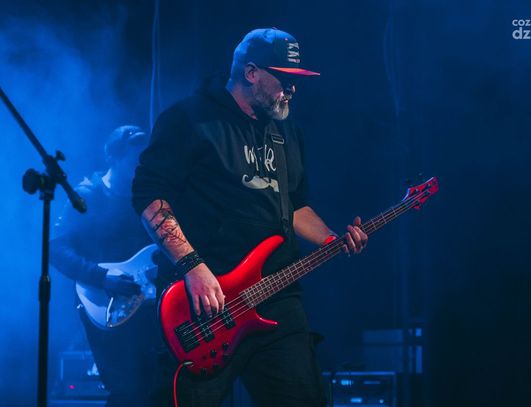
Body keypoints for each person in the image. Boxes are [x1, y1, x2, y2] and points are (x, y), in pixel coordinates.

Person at [132, 28, 368, 406]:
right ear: (251, 72)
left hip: (278, 298)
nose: (292, 89)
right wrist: (192, 266)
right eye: (284, 79)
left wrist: (331, 240)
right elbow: (149, 197)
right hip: (208, 305)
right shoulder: (189, 119)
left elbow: (294, 205)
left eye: (295, 81)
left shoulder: (285, 131)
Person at [50, 125, 161, 407]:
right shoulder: (88, 195)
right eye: (133, 158)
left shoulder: (145, 197)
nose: (140, 164)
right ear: (113, 156)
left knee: (155, 387)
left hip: (147, 305)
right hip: (106, 303)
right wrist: (101, 277)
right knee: (127, 391)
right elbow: (56, 247)